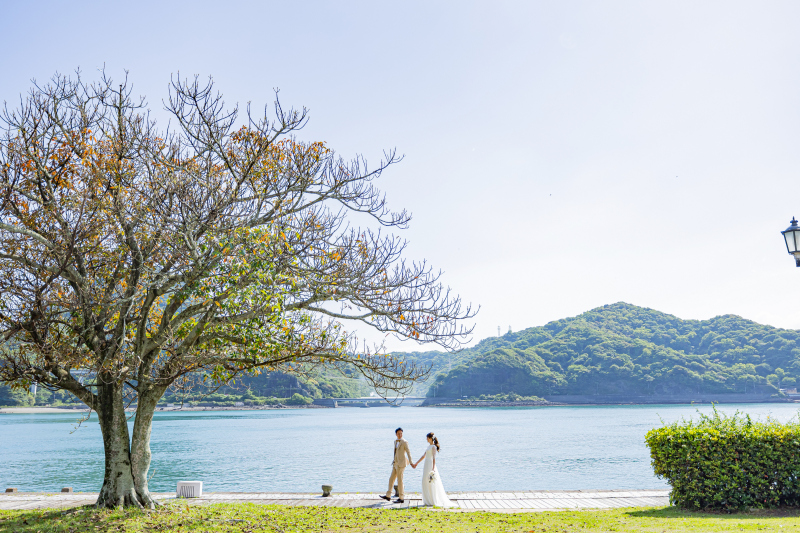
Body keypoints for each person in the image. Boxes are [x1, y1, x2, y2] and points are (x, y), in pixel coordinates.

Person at [411, 432, 456, 507]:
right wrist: (416, 463)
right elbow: (423, 456)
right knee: (425, 481)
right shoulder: (428, 446)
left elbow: (434, 458)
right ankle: (427, 499)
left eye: (427, 438)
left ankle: (432, 500)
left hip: (430, 464)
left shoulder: (433, 447)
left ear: (430, 438)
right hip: (426, 464)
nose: (426, 439)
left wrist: (433, 468)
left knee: (431, 482)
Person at [380, 427, 415, 503]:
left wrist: (411, 462)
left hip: (401, 464)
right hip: (395, 463)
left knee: (400, 481)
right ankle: (388, 496)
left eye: (401, 433)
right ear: (396, 434)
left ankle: (401, 498)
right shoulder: (395, 441)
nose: (400, 435)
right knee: (391, 479)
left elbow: (408, 452)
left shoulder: (405, 442)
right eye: (398, 433)